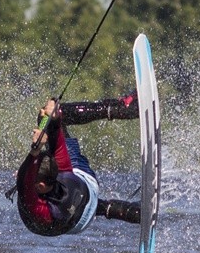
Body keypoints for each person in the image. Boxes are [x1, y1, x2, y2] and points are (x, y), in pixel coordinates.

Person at [15, 92, 141, 236]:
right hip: (86, 189)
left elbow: (25, 180)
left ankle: (133, 212)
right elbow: (25, 180)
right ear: (41, 185)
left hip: (77, 222)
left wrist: (51, 125)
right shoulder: (66, 174)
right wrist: (55, 118)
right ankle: (121, 108)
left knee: (81, 208)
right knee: (51, 117)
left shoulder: (38, 204)